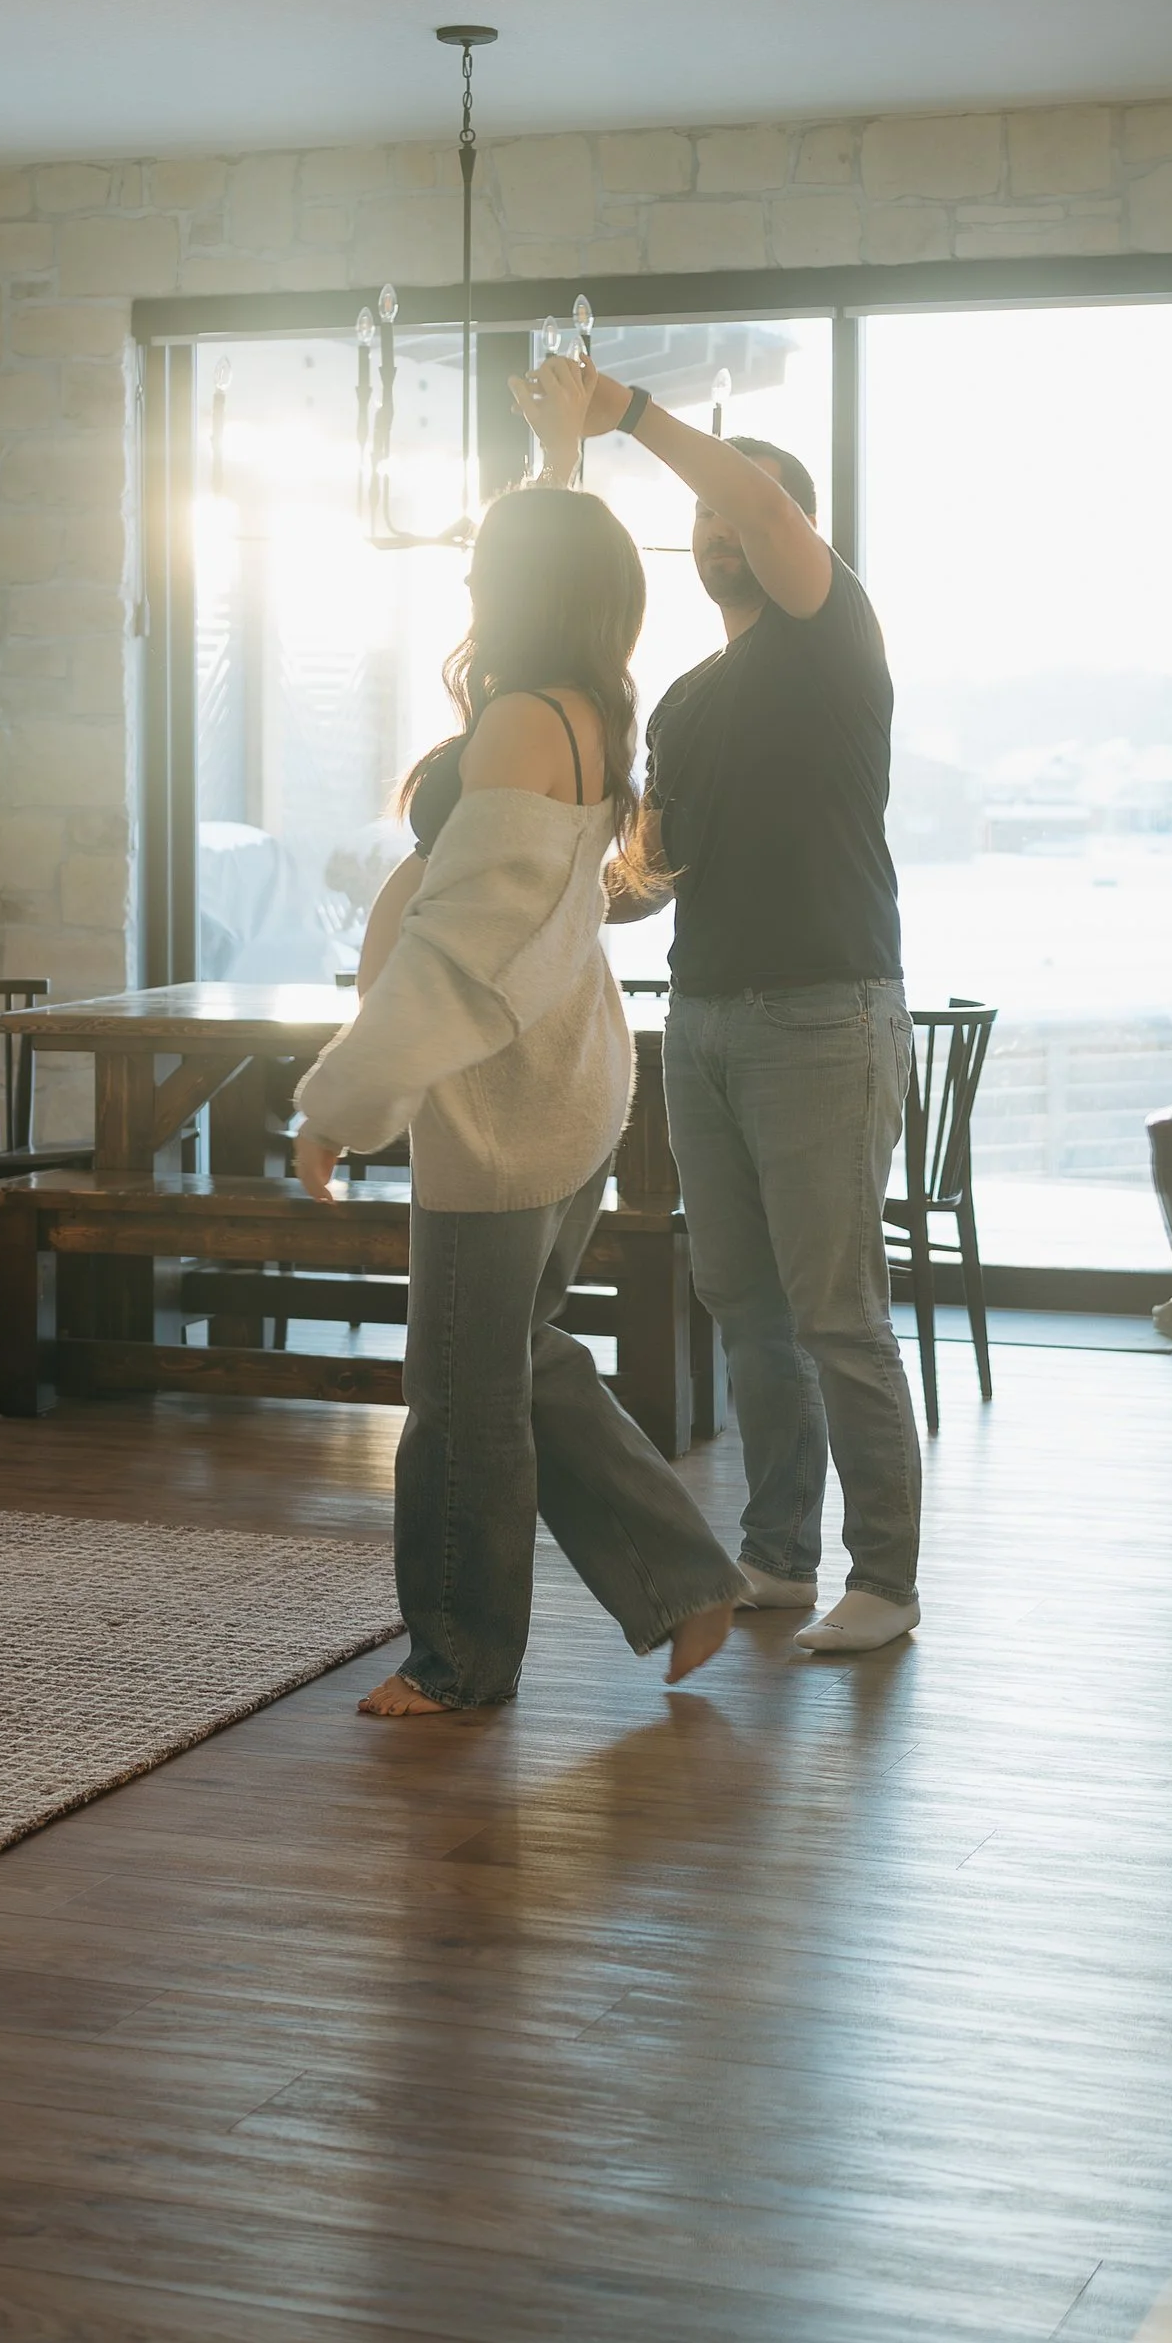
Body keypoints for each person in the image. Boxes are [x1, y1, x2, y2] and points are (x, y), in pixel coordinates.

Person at [292, 483, 745, 1717]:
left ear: (527, 586)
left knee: (457, 1397)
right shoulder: (587, 708)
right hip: (567, 1081)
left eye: (487, 566)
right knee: (516, 1358)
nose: (469, 587)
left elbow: (462, 946)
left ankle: (457, 1661)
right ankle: (686, 1576)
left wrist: (340, 1098)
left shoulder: (517, 723)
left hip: (505, 1101)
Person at [515, 351, 922, 1657]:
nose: (714, 534)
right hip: (707, 1023)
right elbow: (650, 873)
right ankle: (779, 1555)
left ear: (787, 532)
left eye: (735, 516)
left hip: (825, 1015)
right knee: (746, 1304)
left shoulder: (832, 634)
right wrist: (556, 898)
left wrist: (625, 413)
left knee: (837, 1313)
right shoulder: (688, 704)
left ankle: (890, 1579)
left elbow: (755, 504)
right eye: (697, 525)